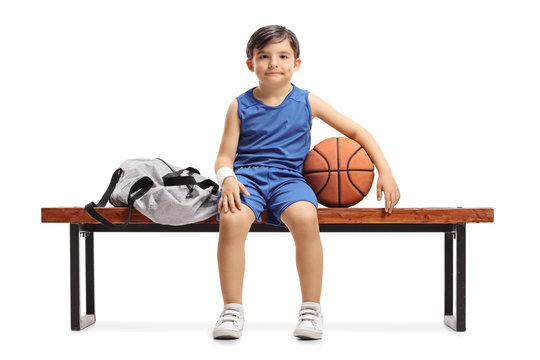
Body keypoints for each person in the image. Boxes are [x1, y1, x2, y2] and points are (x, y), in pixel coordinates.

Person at [212, 25, 400, 340]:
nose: (274, 63)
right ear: (251, 64)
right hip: (247, 179)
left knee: (305, 217)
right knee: (231, 221)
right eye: (264, 56)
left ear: (296, 63)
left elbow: (357, 132)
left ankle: (311, 310)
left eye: (283, 56)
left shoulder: (307, 101)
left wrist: (386, 171)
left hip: (289, 179)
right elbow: (223, 157)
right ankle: (231, 310)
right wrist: (227, 179)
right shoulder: (239, 106)